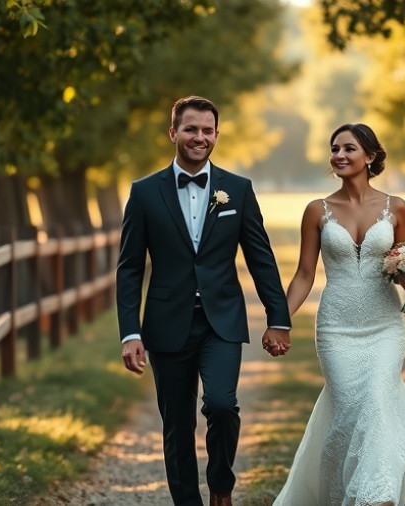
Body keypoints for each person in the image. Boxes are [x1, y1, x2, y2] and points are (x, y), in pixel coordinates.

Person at [272, 123, 405, 505]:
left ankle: (378, 496)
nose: (339, 156)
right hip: (336, 328)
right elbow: (304, 275)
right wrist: (280, 320)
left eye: (349, 149)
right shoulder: (316, 211)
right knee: (346, 412)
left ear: (370, 157)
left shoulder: (397, 208)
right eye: (335, 149)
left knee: (378, 400)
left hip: (385, 326)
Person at [116, 95, 292, 506]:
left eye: (207, 130)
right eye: (191, 129)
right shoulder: (143, 193)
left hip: (222, 322)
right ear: (173, 132)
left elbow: (261, 260)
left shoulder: (238, 189)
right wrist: (130, 332)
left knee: (222, 405)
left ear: (217, 134)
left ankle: (220, 486)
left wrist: (278, 318)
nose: (200, 137)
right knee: (177, 425)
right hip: (165, 323)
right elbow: (129, 268)